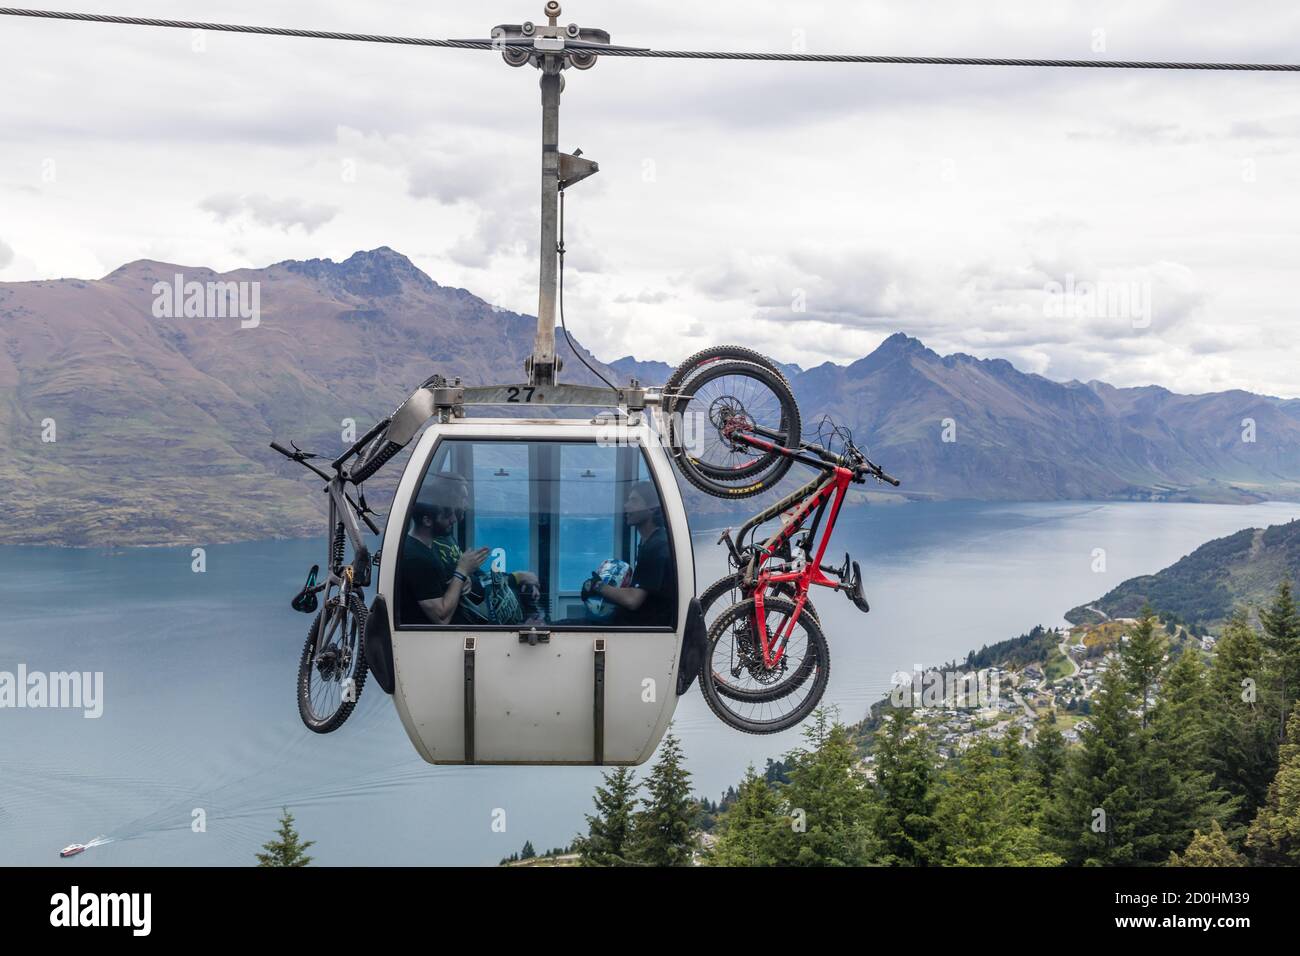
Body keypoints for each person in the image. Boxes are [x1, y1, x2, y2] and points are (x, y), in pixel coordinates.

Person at [399, 473, 489, 625]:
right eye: (447, 516)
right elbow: (441, 618)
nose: (453, 519)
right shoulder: (416, 558)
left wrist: (461, 581)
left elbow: (442, 587)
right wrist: (461, 571)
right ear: (427, 520)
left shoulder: (430, 547)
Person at [586, 480, 676, 627]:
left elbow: (632, 600)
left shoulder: (656, 547)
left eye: (633, 501)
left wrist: (598, 586)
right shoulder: (650, 541)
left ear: (652, 508)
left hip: (646, 628)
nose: (626, 506)